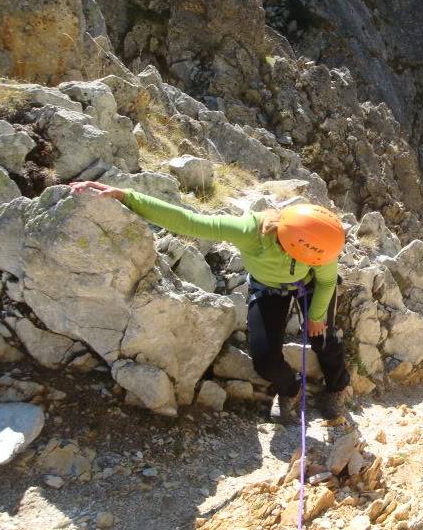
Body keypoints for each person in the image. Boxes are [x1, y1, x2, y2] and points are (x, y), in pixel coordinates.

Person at [68, 180, 350, 423]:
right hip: (268, 288)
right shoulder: (249, 231)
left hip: (311, 286)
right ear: (289, 243)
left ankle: (337, 386)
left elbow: (325, 280)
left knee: (323, 340)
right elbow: (190, 221)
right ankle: (290, 389)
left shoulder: (321, 243)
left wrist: (315, 317)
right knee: (264, 360)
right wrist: (127, 196)